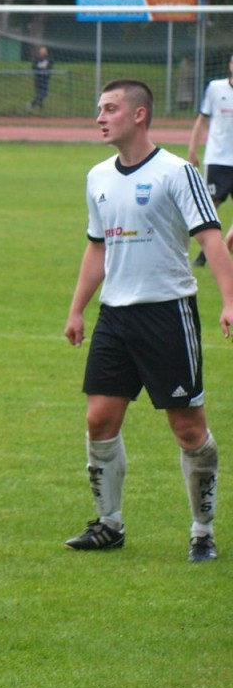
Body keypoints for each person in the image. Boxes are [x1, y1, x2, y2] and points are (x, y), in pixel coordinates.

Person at [63, 79, 233, 563]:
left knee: (187, 428)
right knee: (99, 419)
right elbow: (97, 247)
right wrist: (77, 308)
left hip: (167, 313)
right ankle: (109, 524)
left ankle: (202, 531)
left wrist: (229, 300)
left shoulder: (177, 172)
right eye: (99, 109)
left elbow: (211, 239)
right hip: (114, 317)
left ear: (139, 115)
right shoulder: (98, 176)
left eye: (110, 109)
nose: (100, 117)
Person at [187, 54, 233, 268]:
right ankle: (207, 251)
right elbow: (202, 120)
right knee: (210, 207)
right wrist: (192, 149)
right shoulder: (215, 88)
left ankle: (223, 246)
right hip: (217, 158)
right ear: (230, 65)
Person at [28, 45, 52, 112]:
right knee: (39, 94)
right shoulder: (37, 59)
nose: (42, 53)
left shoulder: (49, 59)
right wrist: (41, 68)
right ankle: (39, 109)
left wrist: (44, 68)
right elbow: (34, 67)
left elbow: (49, 67)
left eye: (44, 51)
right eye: (41, 51)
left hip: (45, 79)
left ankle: (32, 104)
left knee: (44, 94)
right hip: (38, 79)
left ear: (46, 52)